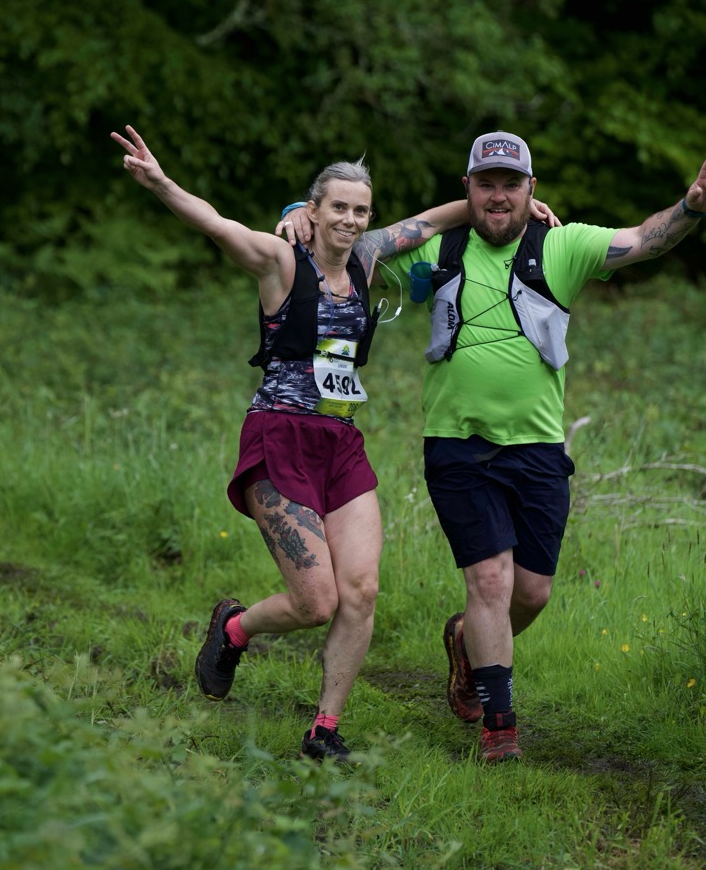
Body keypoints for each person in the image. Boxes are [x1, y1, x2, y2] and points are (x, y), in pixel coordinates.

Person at [110, 123, 534, 763]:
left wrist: (517, 205)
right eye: (338, 207)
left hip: (341, 444)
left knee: (360, 592)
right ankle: (234, 627)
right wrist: (161, 182)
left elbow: (431, 220)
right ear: (313, 210)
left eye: (361, 211)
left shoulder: (366, 259)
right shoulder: (282, 261)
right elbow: (216, 224)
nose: (350, 220)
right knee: (316, 602)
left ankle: (324, 729)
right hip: (279, 437)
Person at [282, 130, 706, 762]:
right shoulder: (440, 246)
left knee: (530, 593)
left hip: (538, 448)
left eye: (512, 184)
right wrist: (300, 211)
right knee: (489, 580)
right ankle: (499, 727)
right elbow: (351, 244)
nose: (499, 196)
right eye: (487, 184)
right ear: (468, 188)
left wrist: (692, 205)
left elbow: (645, 240)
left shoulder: (560, 245)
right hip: (457, 444)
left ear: (532, 188)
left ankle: (466, 644)